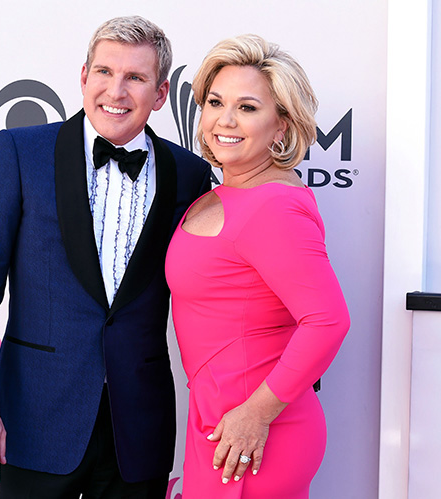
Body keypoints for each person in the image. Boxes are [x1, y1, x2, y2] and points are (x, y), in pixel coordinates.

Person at [0, 16, 211, 498]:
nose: (116, 90)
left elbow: (212, 295)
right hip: (31, 423)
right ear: (84, 76)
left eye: (135, 77)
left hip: (139, 431)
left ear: (160, 94)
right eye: (105, 72)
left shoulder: (189, 173)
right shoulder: (20, 152)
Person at [165, 34, 350, 498]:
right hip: (219, 422)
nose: (225, 120)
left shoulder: (273, 207)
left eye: (247, 108)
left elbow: (328, 321)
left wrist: (256, 415)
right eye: (215, 102)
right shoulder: (223, 193)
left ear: (281, 125)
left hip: (255, 434)